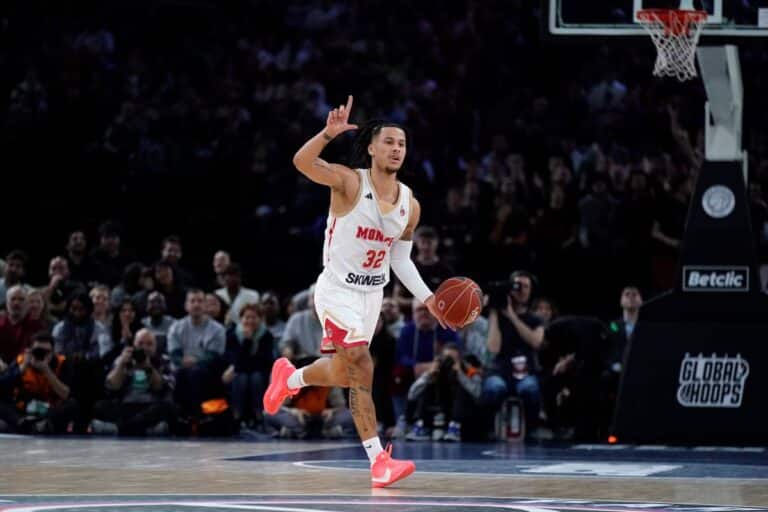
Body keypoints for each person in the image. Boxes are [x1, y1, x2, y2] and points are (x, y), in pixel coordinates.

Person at [264, 96, 447, 488]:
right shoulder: (349, 181)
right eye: (389, 142)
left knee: (346, 374)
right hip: (336, 291)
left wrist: (429, 298)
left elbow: (401, 261)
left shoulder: (410, 205)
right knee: (363, 365)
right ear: (371, 147)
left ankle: (289, 379)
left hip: (371, 297)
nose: (397, 149)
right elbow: (301, 163)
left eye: (402, 144)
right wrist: (328, 134)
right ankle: (378, 461)